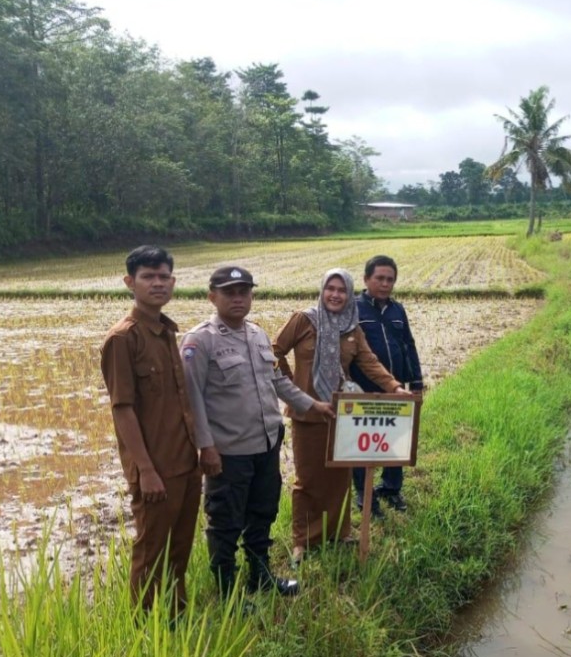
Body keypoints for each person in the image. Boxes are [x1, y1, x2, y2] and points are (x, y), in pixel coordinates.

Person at [180, 266, 335, 600]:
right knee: (225, 523)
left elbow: (277, 382)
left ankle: (260, 576)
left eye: (244, 292)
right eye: (229, 292)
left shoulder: (258, 335)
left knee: (262, 512)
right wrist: (205, 448)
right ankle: (227, 593)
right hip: (228, 452)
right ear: (212, 297)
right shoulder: (199, 341)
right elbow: (190, 402)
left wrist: (313, 405)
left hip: (266, 444)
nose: (238, 298)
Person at [272, 269, 404, 565]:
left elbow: (368, 361)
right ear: (322, 290)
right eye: (330, 288)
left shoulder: (352, 328)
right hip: (307, 414)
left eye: (341, 290)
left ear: (349, 294)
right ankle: (303, 540)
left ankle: (340, 532)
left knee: (340, 477)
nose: (335, 294)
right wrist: (293, 387)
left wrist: (395, 386)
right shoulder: (304, 320)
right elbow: (273, 352)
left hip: (342, 414)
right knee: (308, 478)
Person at [99, 245, 201, 615]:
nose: (157, 283)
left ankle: (176, 616)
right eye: (148, 276)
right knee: (151, 550)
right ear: (130, 282)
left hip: (187, 463)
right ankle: (145, 629)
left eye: (163, 276)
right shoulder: (123, 339)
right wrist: (145, 470)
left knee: (180, 550)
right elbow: (122, 409)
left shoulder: (167, 331)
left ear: (173, 281)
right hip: (156, 470)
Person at [350, 255, 424, 517]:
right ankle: (365, 495)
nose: (385, 284)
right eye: (379, 278)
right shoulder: (353, 309)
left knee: (395, 438)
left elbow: (409, 345)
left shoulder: (397, 310)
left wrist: (416, 382)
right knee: (363, 444)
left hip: (398, 387)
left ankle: (391, 488)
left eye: (390, 279)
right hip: (364, 389)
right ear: (366, 279)